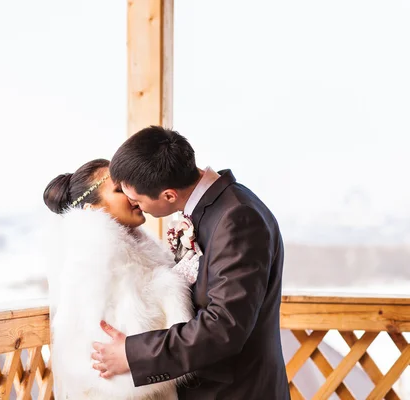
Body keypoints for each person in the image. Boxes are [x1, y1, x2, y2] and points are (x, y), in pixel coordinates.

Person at [91, 126, 291, 400]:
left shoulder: (237, 218)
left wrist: (132, 353)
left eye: (137, 200)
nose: (137, 207)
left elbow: (226, 326)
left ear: (169, 195)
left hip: (236, 391)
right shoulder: (218, 208)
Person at [42, 158, 194, 399]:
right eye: (119, 189)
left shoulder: (132, 247)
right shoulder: (99, 255)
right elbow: (105, 352)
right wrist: (172, 285)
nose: (133, 193)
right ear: (94, 208)